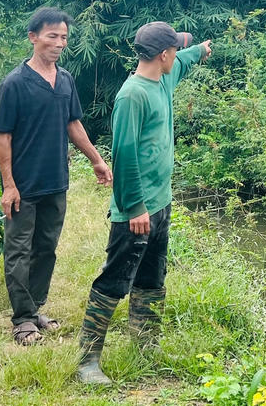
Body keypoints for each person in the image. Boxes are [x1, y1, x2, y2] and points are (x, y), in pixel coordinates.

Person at [76, 21, 212, 385]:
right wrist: (135, 206)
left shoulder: (163, 79)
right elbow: (124, 154)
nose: (176, 57)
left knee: (152, 277)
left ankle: (146, 346)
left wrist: (200, 50)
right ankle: (87, 362)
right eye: (174, 52)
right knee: (114, 279)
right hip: (136, 211)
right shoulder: (132, 96)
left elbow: (186, 57)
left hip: (161, 202)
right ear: (163, 55)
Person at [0, 7, 113, 346]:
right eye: (52, 36)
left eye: (64, 37)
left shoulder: (65, 80)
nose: (60, 43)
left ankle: (34, 310)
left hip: (55, 181)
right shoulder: (15, 83)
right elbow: (3, 137)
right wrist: (9, 185)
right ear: (33, 37)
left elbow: (73, 124)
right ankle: (22, 319)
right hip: (23, 185)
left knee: (46, 248)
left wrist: (97, 161)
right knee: (19, 250)